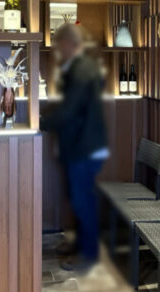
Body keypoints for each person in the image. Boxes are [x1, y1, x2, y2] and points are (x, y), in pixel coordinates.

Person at [41, 23, 109, 271]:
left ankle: (88, 254)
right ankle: (81, 245)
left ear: (68, 43)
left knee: (83, 201)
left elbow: (70, 110)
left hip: (84, 146)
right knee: (79, 199)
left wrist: (42, 122)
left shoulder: (81, 69)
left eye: (59, 45)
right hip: (84, 145)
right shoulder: (83, 67)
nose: (58, 50)